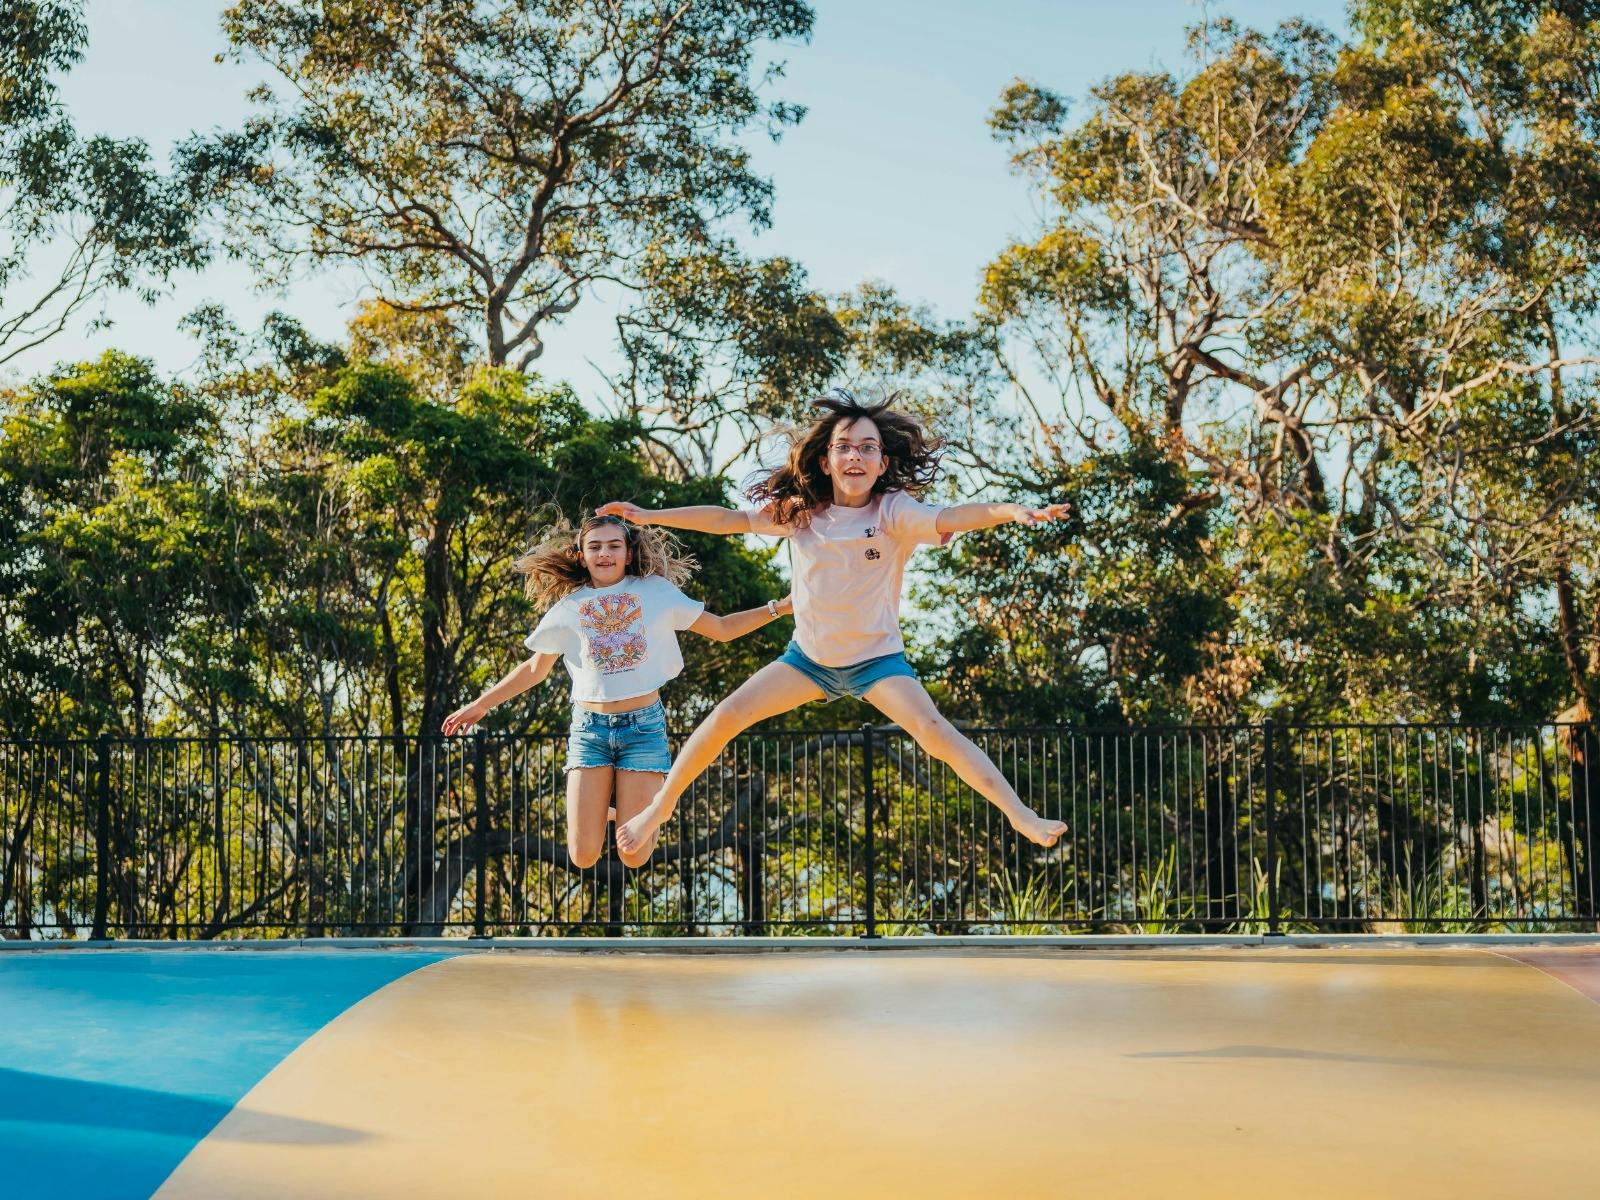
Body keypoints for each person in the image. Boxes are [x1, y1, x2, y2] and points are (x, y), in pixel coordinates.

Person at [597, 390, 1071, 856]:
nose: (856, 456)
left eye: (868, 448)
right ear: (826, 461)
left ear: (882, 464)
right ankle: (660, 808)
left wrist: (1010, 511)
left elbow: (954, 515)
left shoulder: (893, 512)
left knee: (935, 732)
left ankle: (1019, 814)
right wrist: (648, 515)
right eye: (844, 446)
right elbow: (727, 519)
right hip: (808, 660)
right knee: (725, 716)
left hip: (877, 662)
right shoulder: (802, 514)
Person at [441, 513, 791, 868]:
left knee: (634, 856)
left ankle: (649, 807)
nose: (604, 553)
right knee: (582, 856)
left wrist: (780, 607)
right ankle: (617, 808)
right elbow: (534, 669)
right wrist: (480, 705)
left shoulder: (654, 591)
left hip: (643, 729)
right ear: (581, 555)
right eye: (595, 547)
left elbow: (721, 628)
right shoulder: (568, 608)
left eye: (613, 546)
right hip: (589, 730)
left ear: (628, 553)